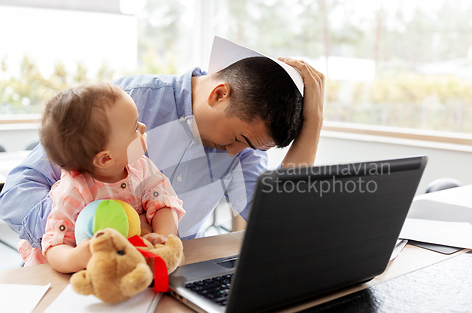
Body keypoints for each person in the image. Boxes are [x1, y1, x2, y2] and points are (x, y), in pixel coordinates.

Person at [0, 56, 324, 252]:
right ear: (219, 94)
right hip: (83, 266)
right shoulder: (125, 103)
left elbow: (276, 224)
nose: (235, 152)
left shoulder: (244, 150)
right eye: (238, 138)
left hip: (169, 271)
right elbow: (17, 191)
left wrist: (314, 125)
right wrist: (96, 227)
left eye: (249, 146)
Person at [18, 83, 185, 273]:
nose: (144, 127)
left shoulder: (142, 167)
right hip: (76, 280)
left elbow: (164, 203)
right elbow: (53, 247)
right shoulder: (74, 191)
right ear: (105, 158)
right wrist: (78, 256)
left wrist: (163, 235)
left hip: (127, 266)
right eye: (134, 128)